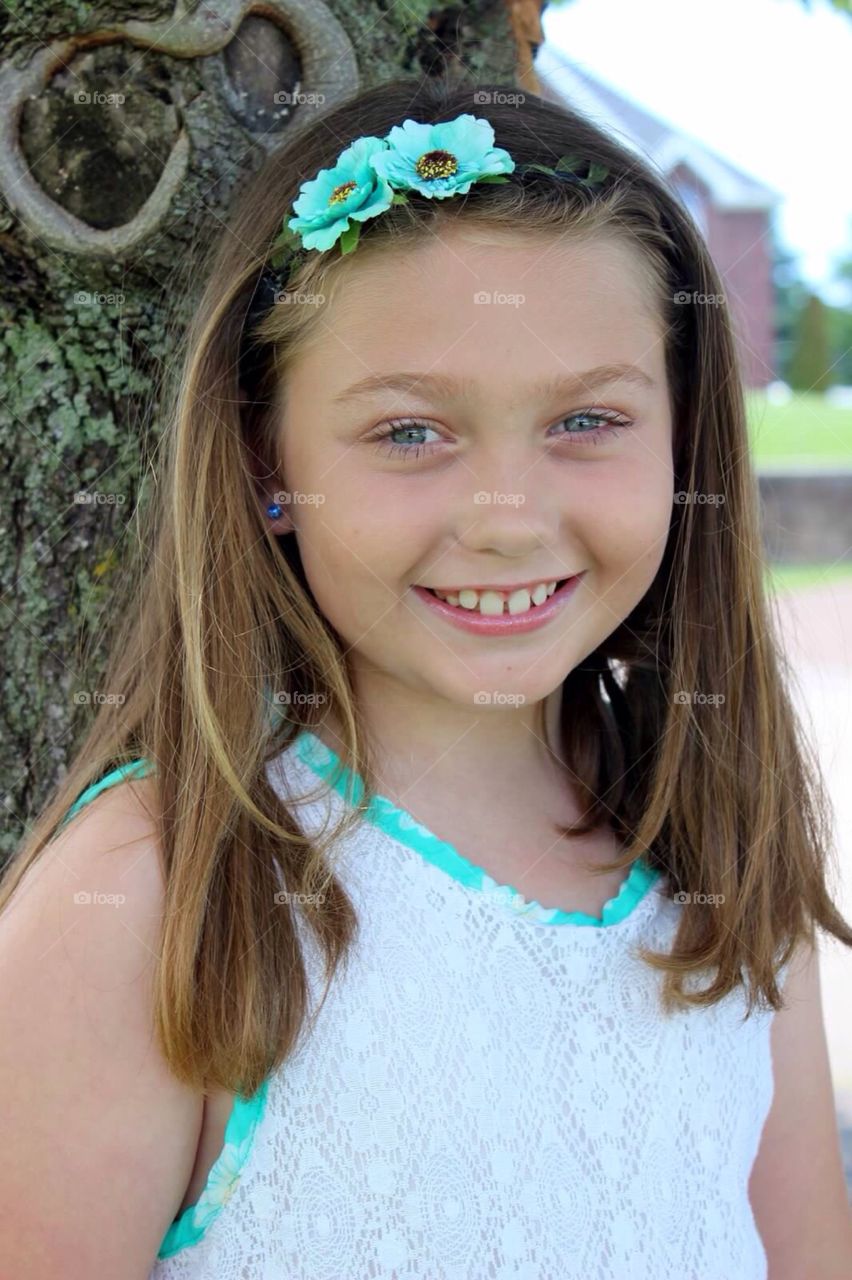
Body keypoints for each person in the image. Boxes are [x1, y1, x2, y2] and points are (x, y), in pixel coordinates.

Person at [1, 77, 851, 1280]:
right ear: (266, 461)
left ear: (683, 437)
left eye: (588, 420)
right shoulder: (162, 890)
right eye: (411, 432)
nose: (508, 520)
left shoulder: (721, 856)